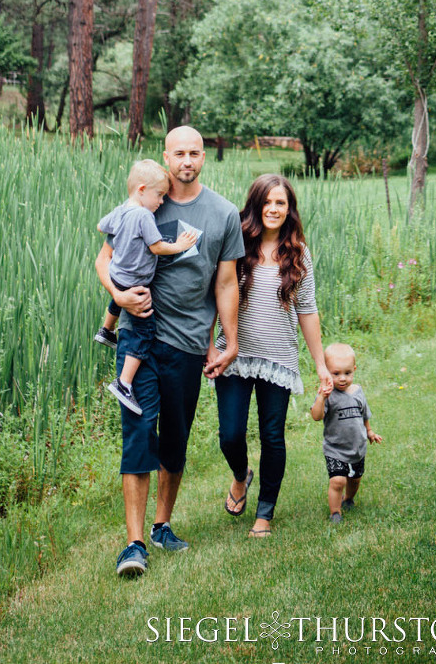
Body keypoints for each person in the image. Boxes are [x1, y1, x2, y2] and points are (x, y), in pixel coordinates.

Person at [95, 126, 243, 576]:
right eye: (179, 152)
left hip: (187, 343)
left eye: (195, 152)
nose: (187, 160)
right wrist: (117, 297)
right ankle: (134, 544)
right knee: (138, 433)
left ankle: (162, 526)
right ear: (166, 156)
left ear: (203, 157)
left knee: (175, 439)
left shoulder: (223, 213)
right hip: (141, 339)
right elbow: (105, 259)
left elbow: (225, 282)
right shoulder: (142, 203)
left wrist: (229, 341)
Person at [214, 173, 334, 538]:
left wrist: (321, 365)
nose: (273, 208)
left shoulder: (299, 254)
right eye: (267, 201)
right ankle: (240, 475)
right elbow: (214, 294)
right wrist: (209, 344)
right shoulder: (236, 244)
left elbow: (308, 310)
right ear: (255, 205)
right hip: (233, 354)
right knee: (230, 435)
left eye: (280, 202)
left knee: (272, 436)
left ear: (289, 209)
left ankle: (264, 513)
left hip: (277, 357)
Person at [96, 160, 198, 416]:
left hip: (118, 276)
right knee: (145, 332)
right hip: (136, 283)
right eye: (159, 195)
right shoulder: (143, 215)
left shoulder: (121, 210)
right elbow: (157, 247)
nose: (161, 202)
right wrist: (180, 245)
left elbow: (100, 226)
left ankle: (106, 330)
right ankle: (124, 383)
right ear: (142, 189)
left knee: (116, 301)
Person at [311, 342, 382, 522]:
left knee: (355, 479)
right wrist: (321, 397)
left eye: (347, 373)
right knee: (338, 481)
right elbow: (316, 416)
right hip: (335, 449)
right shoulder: (327, 394)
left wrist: (370, 432)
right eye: (336, 374)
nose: (342, 378)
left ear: (354, 369)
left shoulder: (358, 392)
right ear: (327, 371)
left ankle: (348, 499)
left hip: (357, 447)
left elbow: (364, 415)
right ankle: (335, 512)